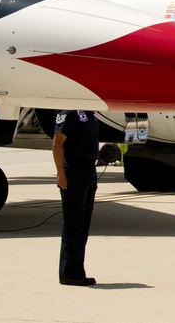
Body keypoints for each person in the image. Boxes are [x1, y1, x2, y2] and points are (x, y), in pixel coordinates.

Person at [52, 109, 99, 286]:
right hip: (74, 169)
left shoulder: (90, 111)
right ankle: (69, 273)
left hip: (89, 169)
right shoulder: (68, 112)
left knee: (83, 223)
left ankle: (77, 270)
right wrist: (60, 174)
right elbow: (57, 144)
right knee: (73, 222)